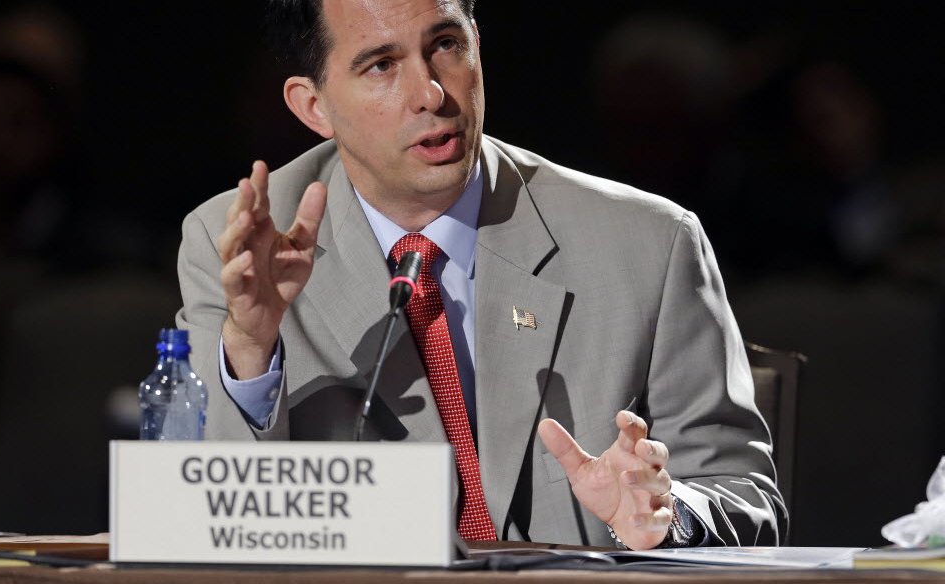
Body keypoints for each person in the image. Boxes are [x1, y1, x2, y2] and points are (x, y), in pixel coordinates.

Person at [177, 0, 785, 550]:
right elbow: (197, 517)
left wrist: (666, 513)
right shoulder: (236, 246)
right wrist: (252, 347)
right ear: (315, 106)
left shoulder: (649, 245)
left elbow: (746, 496)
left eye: (445, 45)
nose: (431, 93)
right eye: (382, 66)